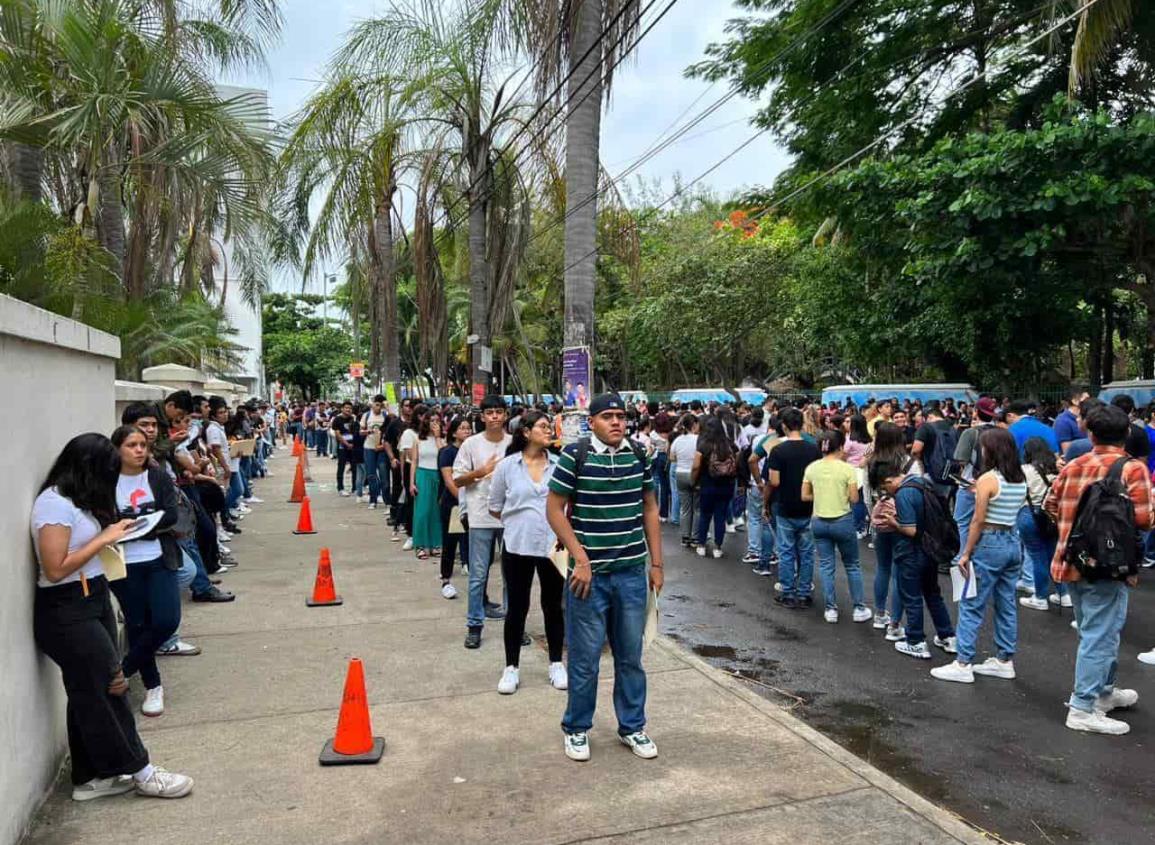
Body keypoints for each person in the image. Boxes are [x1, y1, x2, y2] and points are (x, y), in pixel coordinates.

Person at [31, 433, 194, 800]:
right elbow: (55, 569)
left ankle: (90, 777)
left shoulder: (77, 500)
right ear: (88, 468)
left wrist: (114, 534)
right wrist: (104, 538)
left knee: (89, 691)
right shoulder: (54, 504)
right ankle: (142, 771)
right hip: (67, 606)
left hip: (92, 596)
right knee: (110, 688)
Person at [547, 393, 663, 763]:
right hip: (588, 577)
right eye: (608, 416)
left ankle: (633, 726)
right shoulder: (575, 455)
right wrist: (580, 558)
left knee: (630, 656)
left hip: (630, 574)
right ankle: (577, 728)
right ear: (592, 421)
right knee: (584, 659)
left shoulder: (638, 456)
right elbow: (554, 509)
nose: (617, 422)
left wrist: (656, 565)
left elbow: (649, 507)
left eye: (621, 416)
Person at [1044, 404, 1152, 735]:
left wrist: (1072, 529)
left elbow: (1049, 504)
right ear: (1127, 434)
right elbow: (1145, 519)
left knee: (1099, 629)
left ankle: (1104, 691)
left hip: (1070, 561)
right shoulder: (1132, 470)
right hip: (1109, 565)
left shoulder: (1074, 464)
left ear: (1089, 434)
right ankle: (1082, 706)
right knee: (1099, 634)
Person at [932, 428, 1026, 683]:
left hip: (988, 543)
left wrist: (965, 553)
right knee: (1006, 603)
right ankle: (1005, 659)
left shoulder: (987, 480)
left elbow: (977, 520)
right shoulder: (1020, 478)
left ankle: (963, 662)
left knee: (971, 602)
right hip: (1011, 541)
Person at [489, 411, 567, 695]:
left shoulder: (559, 465)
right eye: (543, 427)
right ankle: (511, 667)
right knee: (517, 607)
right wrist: (518, 522)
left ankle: (556, 662)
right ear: (525, 432)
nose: (549, 431)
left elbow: (565, 505)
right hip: (517, 545)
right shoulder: (508, 467)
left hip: (552, 546)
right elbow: (495, 505)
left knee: (553, 605)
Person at [108, 425, 183, 717]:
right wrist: (143, 527)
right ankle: (153, 685)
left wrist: (133, 528)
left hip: (159, 559)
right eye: (131, 445)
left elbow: (171, 515)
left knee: (166, 620)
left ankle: (123, 670)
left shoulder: (157, 477)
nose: (139, 450)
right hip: (124, 565)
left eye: (142, 445)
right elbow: (108, 523)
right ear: (117, 450)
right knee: (138, 625)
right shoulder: (107, 482)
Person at [873, 459, 957, 659]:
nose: (888, 492)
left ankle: (915, 640)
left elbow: (910, 529)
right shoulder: (923, 483)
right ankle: (947, 635)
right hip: (932, 547)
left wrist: (894, 523)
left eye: (885, 487)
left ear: (888, 480)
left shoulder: (904, 493)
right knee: (933, 594)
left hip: (911, 551)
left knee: (911, 596)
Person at [454, 395, 512, 649]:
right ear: (482, 417)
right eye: (490, 413)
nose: (495, 417)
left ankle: (515, 624)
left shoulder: (515, 443)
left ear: (506, 415)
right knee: (478, 575)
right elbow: (457, 480)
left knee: (513, 576)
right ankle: (474, 625)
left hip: (511, 518)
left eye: (499, 412)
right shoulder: (470, 445)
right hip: (480, 516)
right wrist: (482, 472)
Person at [803, 430, 871, 623]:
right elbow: (854, 498)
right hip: (842, 521)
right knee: (852, 565)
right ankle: (859, 608)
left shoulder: (812, 468)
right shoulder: (847, 469)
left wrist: (822, 494)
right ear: (841, 447)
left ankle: (830, 609)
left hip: (818, 521)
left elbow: (805, 495)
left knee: (826, 566)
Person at [767, 408, 820, 608]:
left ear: (784, 426)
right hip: (808, 505)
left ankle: (787, 592)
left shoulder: (778, 450)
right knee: (806, 552)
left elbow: (774, 481)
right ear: (802, 424)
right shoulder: (813, 449)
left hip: (785, 505)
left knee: (786, 551)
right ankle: (805, 593)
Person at [866, 423, 908, 639]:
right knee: (899, 570)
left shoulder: (872, 461)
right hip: (902, 518)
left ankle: (879, 613)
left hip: (880, 518)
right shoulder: (906, 461)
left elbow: (868, 493)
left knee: (883, 568)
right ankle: (895, 623)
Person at [1018, 437, 1067, 611]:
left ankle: (1040, 597)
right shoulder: (1058, 469)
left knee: (1037, 556)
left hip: (1029, 514)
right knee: (1055, 554)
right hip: (1053, 514)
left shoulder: (1025, 470)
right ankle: (1064, 593)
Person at [692, 416, 738, 558]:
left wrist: (694, 481)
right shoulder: (730, 445)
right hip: (727, 485)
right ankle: (718, 547)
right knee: (720, 516)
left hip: (708, 484)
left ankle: (701, 545)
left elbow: (696, 466)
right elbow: (738, 462)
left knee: (705, 515)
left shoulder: (704, 445)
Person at [438, 415, 471, 599]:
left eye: (468, 428)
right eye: (463, 428)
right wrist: (464, 501)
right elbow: (450, 483)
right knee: (450, 543)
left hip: (472, 504)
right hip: (454, 506)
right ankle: (446, 579)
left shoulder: (472, 451)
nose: (466, 431)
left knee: (471, 540)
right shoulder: (447, 452)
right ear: (454, 432)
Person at [409, 410, 444, 560]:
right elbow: (414, 462)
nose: (434, 423)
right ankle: (420, 545)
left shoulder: (443, 440)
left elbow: (443, 454)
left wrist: (437, 437)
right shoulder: (418, 439)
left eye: (437, 420)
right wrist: (412, 482)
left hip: (438, 475)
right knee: (422, 511)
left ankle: (436, 543)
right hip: (423, 474)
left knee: (436, 511)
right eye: (431, 420)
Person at [670, 414, 700, 547]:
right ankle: (695, 537)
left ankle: (685, 537)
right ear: (694, 425)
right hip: (695, 473)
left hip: (680, 473)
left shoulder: (677, 440)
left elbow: (672, 458)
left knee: (685, 507)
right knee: (697, 508)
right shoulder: (698, 439)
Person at [361, 395, 390, 510]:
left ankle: (387, 500)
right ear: (372, 404)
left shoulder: (385, 415)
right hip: (369, 448)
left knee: (384, 476)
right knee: (371, 475)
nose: (378, 407)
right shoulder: (366, 416)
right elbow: (360, 431)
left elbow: (391, 430)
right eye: (376, 404)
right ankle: (373, 499)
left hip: (382, 449)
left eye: (380, 405)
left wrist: (388, 409)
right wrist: (368, 431)